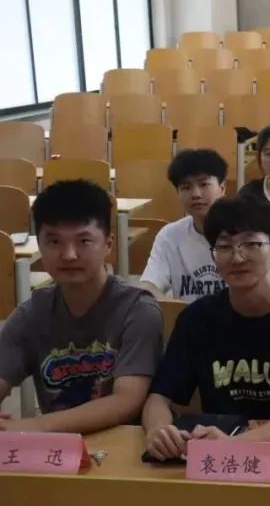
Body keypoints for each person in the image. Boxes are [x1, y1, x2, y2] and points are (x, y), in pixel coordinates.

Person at [143, 197, 270, 460]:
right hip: (216, 451)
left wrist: (239, 443)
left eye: (251, 244)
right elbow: (159, 397)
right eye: (224, 247)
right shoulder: (197, 318)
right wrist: (157, 430)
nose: (236, 257)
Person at [0, 180, 162, 433]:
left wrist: (33, 426)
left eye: (84, 241)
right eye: (54, 242)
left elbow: (126, 401)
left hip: (121, 446)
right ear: (39, 245)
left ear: (108, 245)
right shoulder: (32, 313)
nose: (69, 255)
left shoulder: (137, 310)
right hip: (57, 449)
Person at [139, 149, 228, 303]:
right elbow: (149, 286)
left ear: (222, 188)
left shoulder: (243, 234)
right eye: (186, 187)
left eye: (204, 184)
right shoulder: (170, 235)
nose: (196, 194)